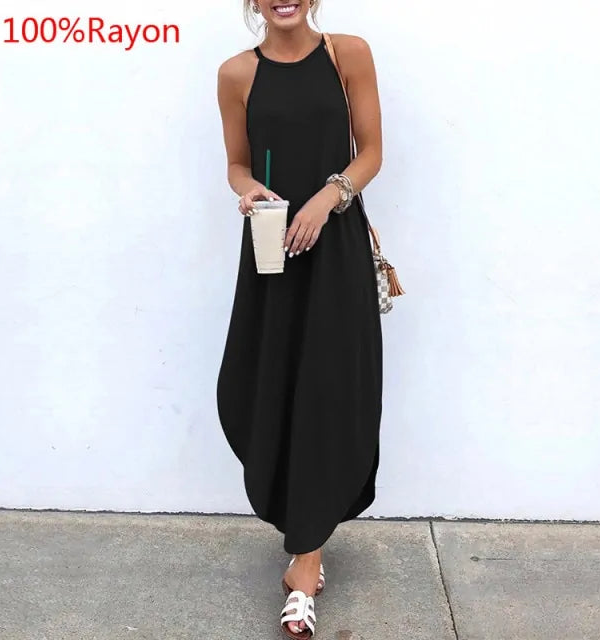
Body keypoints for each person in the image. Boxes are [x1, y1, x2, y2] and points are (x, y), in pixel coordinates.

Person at [216, 1, 383, 636]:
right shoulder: (236, 73)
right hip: (270, 251)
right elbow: (237, 163)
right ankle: (300, 542)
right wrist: (248, 190)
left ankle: (306, 565)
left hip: (334, 250)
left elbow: (371, 152)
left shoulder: (348, 54)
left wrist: (326, 199)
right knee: (267, 387)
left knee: (328, 392)